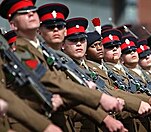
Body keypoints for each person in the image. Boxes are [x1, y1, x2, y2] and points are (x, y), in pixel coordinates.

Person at [0, 0, 124, 131]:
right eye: (23, 13)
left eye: (32, 11)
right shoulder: (20, 52)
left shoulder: (44, 52)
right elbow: (48, 80)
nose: (30, 14)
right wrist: (98, 98)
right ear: (13, 25)